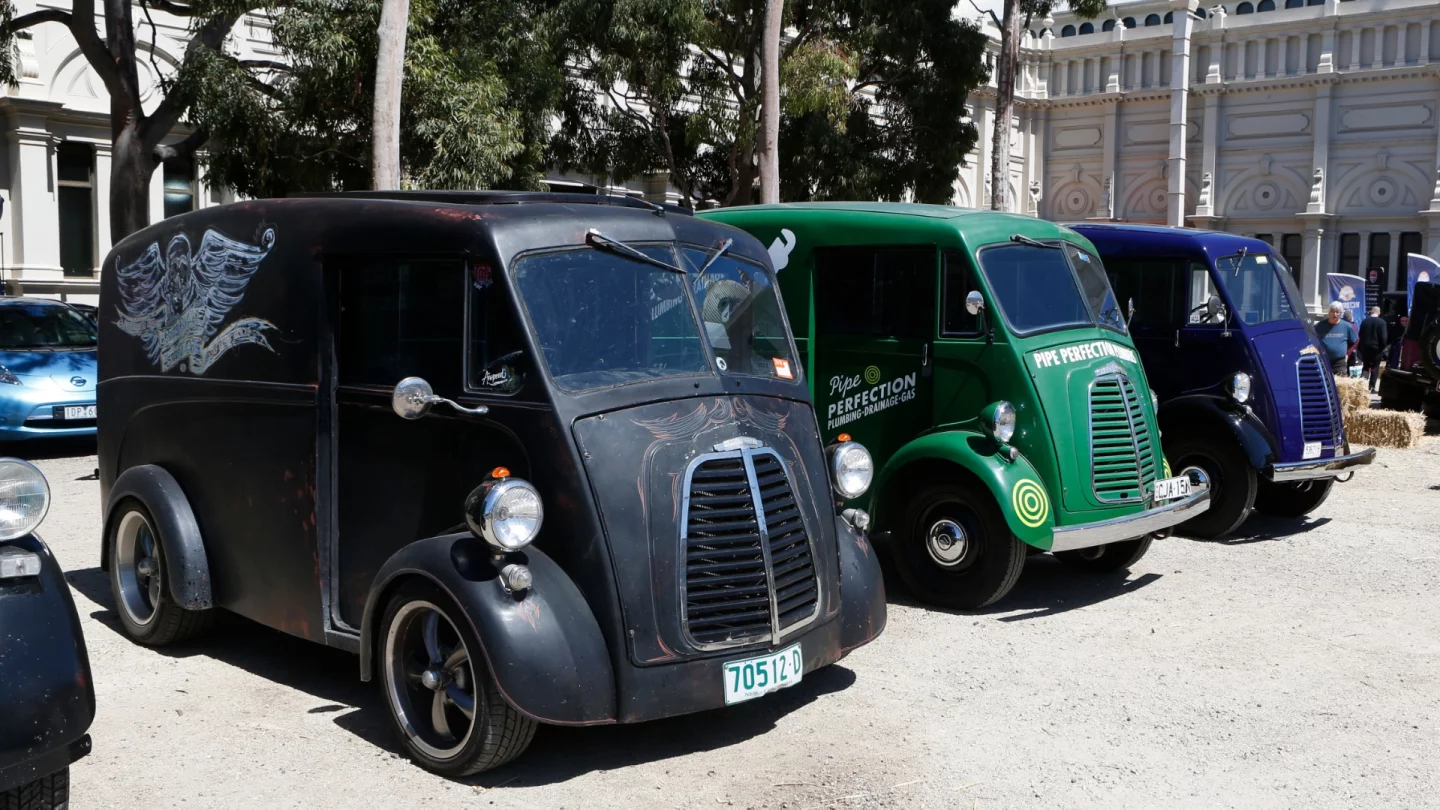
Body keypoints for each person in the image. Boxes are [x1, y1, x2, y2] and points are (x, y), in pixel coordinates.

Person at [1315, 301, 1358, 375]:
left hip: (1340, 362)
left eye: (1337, 312)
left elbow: (1356, 340)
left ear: (1340, 314)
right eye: (1332, 311)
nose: (1335, 314)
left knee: (1340, 385)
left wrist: (1348, 353)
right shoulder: (1319, 326)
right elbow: (1311, 340)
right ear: (1329, 312)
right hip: (1323, 360)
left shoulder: (1347, 326)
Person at [1357, 305, 1389, 392]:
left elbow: (1360, 335)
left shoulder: (1364, 322)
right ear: (1379, 313)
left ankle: (1362, 385)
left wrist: (1361, 347)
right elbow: (1384, 337)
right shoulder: (1382, 322)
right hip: (1376, 348)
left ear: (1371, 312)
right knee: (1375, 367)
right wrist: (1382, 347)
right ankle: (1372, 387)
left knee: (1366, 366)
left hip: (1365, 347)